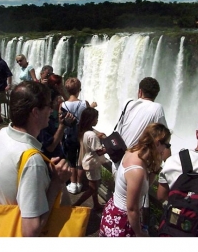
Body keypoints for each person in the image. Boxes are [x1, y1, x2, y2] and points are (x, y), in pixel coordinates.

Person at [0, 81, 72, 237]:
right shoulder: (32, 161)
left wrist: (11, 185)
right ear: (35, 112)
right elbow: (30, 232)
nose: (51, 109)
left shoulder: (2, 134)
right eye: (47, 105)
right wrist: (56, 182)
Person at [114, 76, 169, 228]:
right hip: (137, 162)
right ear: (156, 95)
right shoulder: (157, 108)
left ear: (139, 92)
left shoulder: (128, 103)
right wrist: (168, 163)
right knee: (138, 202)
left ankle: (117, 224)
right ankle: (138, 229)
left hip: (121, 159)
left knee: (121, 198)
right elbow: (162, 135)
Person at [99, 123, 171, 237]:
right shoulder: (136, 170)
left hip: (114, 211)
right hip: (122, 221)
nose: (167, 148)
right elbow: (132, 209)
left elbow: (144, 184)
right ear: (157, 143)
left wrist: (156, 168)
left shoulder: (133, 151)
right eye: (167, 144)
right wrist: (139, 233)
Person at [59, 77, 98, 195]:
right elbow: (86, 117)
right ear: (79, 90)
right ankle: (80, 183)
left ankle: (73, 184)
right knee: (80, 160)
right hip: (81, 135)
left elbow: (60, 120)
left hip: (68, 135)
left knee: (71, 160)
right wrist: (91, 107)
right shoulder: (84, 103)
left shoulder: (63, 104)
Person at [73, 107, 107, 210]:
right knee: (92, 188)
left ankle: (96, 204)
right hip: (93, 163)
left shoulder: (85, 131)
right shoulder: (92, 135)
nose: (97, 120)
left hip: (90, 162)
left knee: (94, 187)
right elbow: (99, 151)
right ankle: (75, 205)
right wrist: (110, 147)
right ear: (91, 119)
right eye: (96, 118)